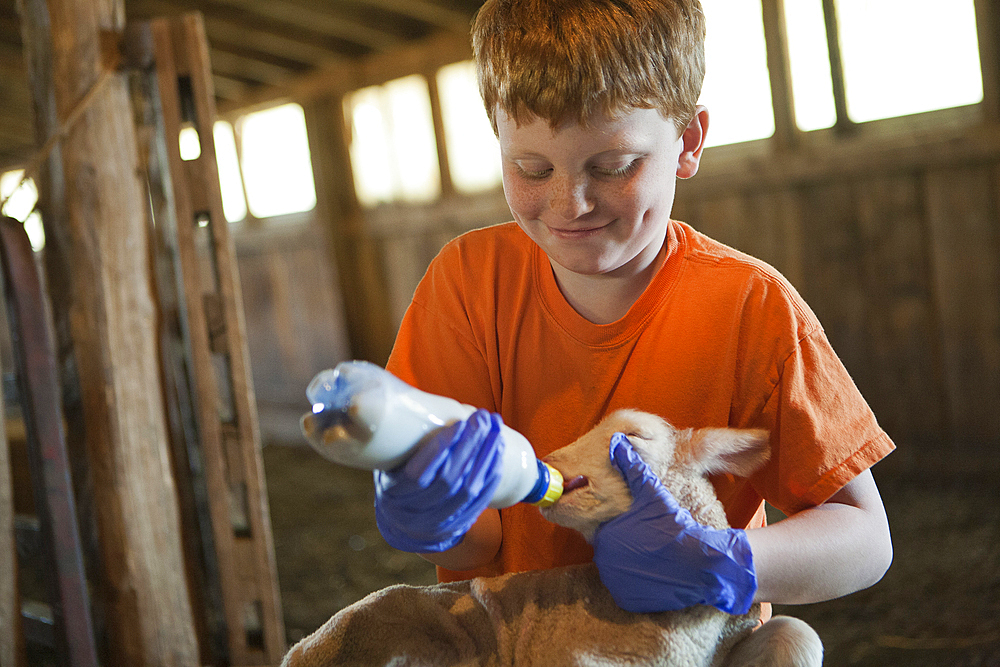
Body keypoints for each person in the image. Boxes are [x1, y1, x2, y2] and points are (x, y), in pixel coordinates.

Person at [375, 0, 894, 622]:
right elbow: (482, 540)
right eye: (531, 167)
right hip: (519, 646)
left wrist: (720, 559)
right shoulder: (467, 284)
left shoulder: (748, 306)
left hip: (691, 649)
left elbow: (865, 537)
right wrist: (430, 511)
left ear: (688, 142)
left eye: (614, 166)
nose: (571, 203)